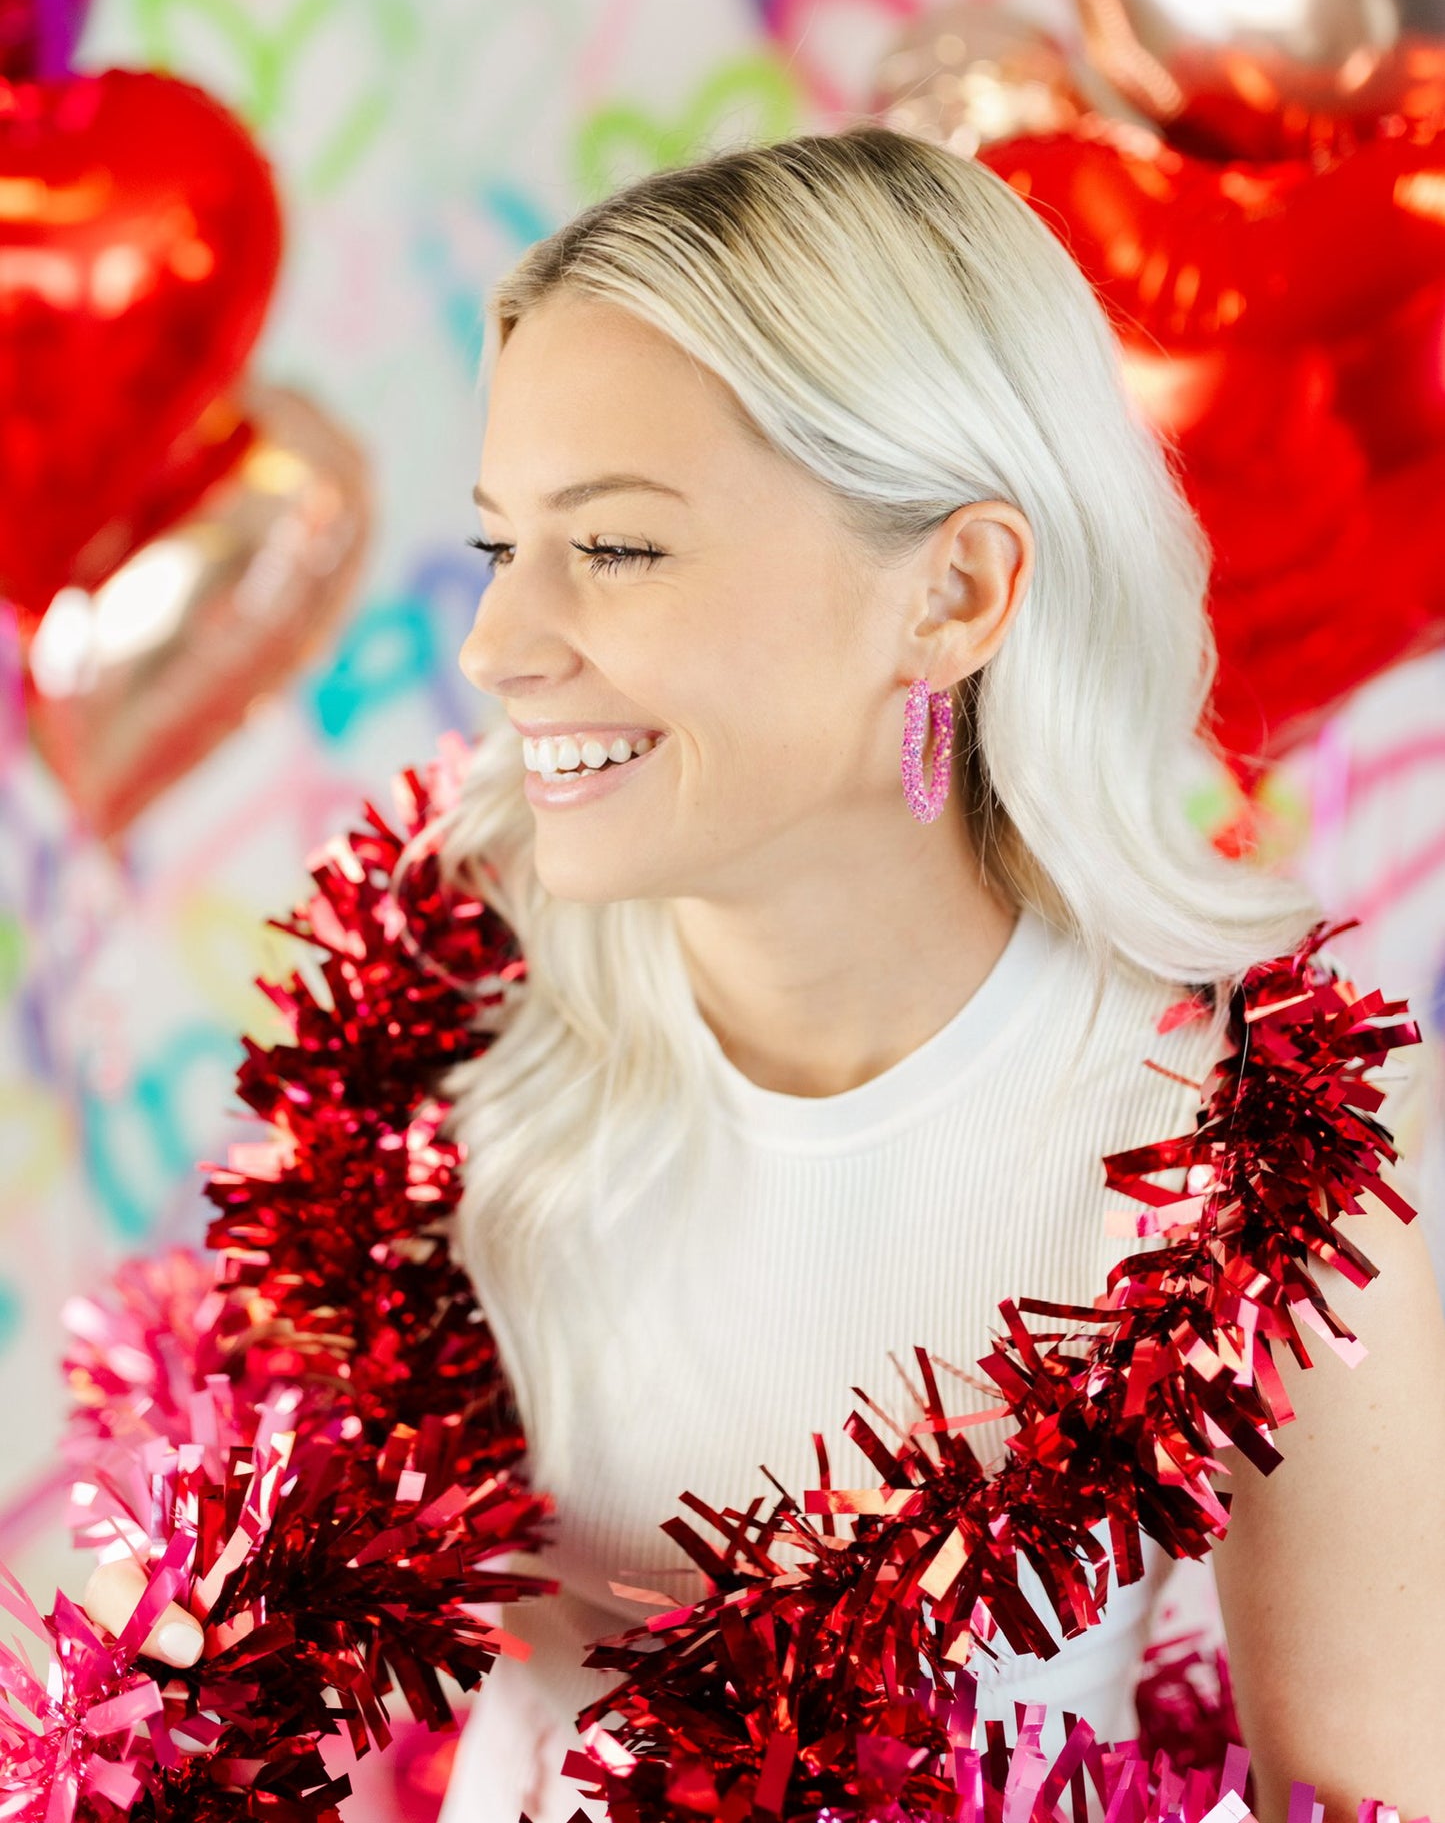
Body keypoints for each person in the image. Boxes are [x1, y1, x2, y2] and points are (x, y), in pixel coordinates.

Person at [85, 127, 1445, 1823]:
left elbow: (1371, 1796)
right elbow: (269, 1701)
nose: (498, 647)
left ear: (951, 591)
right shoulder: (432, 1016)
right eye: (508, 546)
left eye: (621, 548)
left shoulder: (1252, 1155)